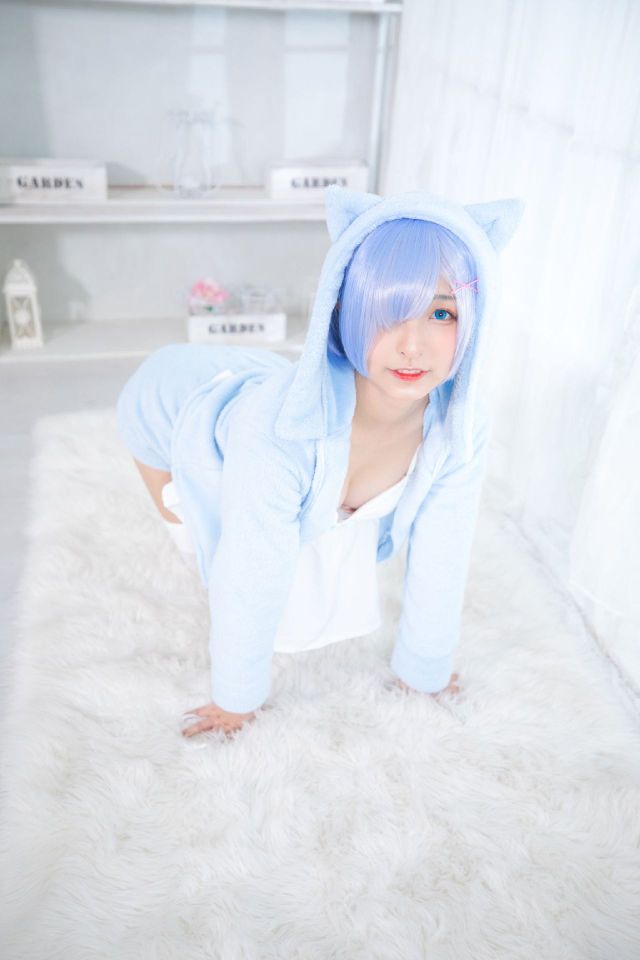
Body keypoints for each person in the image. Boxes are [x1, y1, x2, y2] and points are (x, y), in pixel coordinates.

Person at [116, 184, 524, 739]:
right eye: (388, 313)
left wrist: (424, 670)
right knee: (203, 555)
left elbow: (444, 548)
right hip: (165, 403)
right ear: (344, 309)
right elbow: (249, 573)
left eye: (442, 313)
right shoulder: (276, 434)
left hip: (266, 385)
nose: (413, 345)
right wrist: (237, 698)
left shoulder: (460, 424)